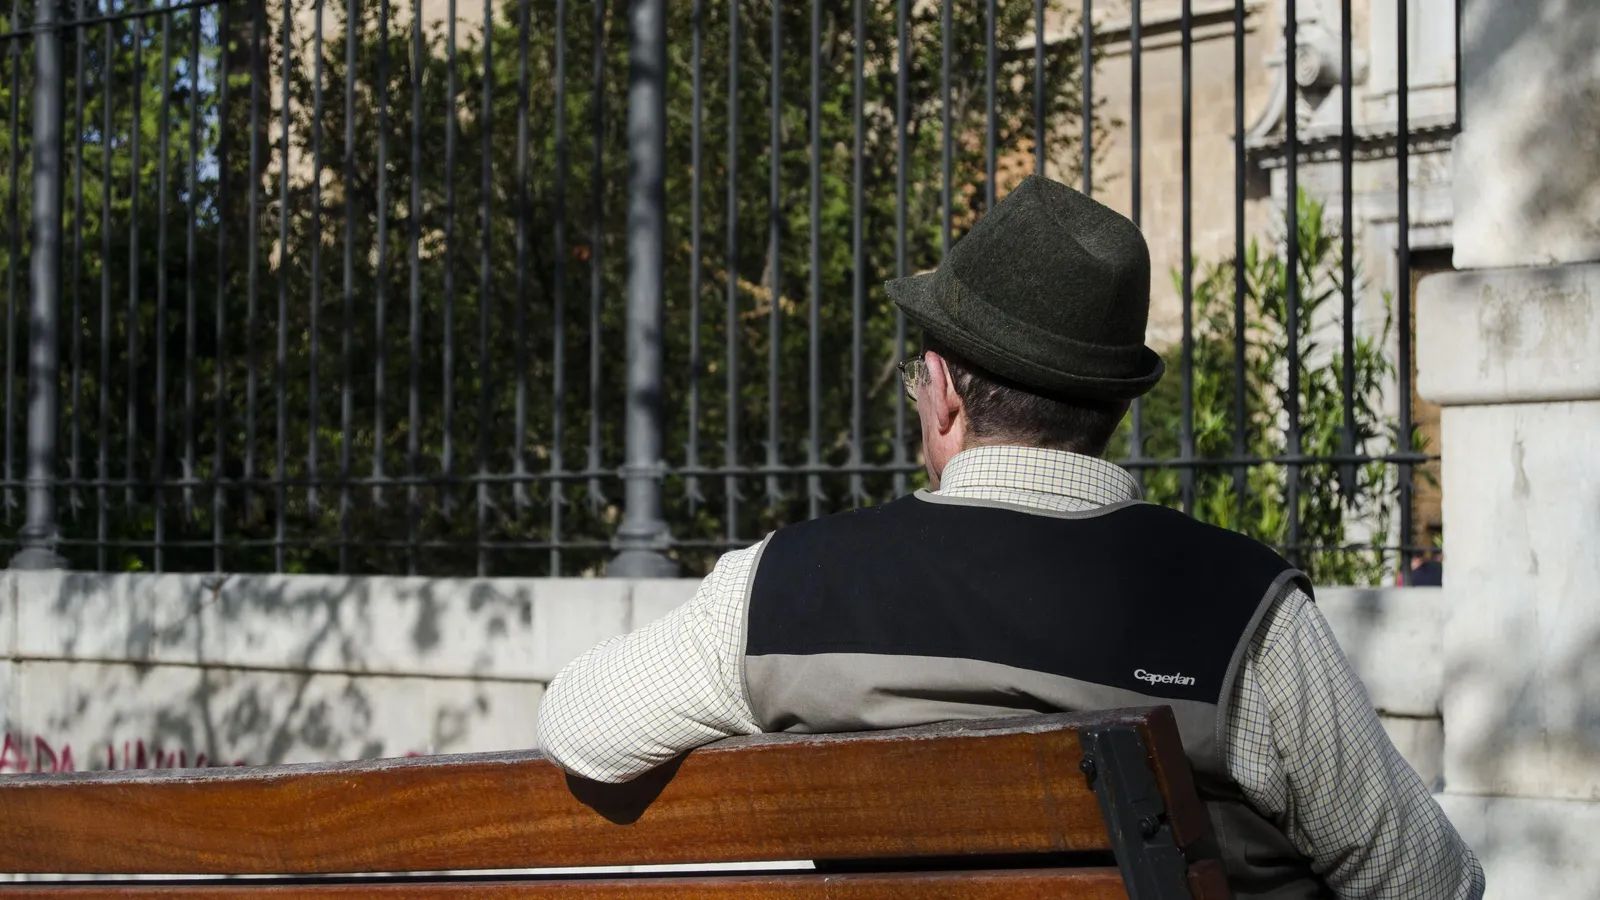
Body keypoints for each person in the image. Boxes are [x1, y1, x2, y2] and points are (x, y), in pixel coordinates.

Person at [536, 176, 1484, 899]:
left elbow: (578, 724)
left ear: (943, 394)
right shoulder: (1245, 617)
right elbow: (1428, 881)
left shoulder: (779, 595)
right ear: (1115, 404)